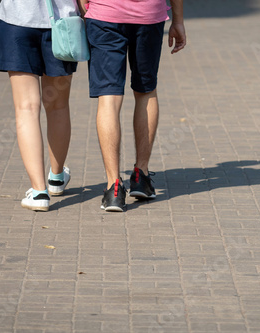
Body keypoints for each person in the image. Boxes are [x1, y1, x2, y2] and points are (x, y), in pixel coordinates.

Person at [78, 0, 187, 212]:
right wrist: (178, 20)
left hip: (104, 14)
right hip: (148, 15)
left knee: (108, 97)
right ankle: (141, 176)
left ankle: (113, 188)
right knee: (146, 92)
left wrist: (86, 9)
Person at [0, 0, 81, 211]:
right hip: (62, 23)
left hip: (17, 20)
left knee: (26, 109)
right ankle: (57, 178)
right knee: (58, 106)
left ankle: (39, 191)